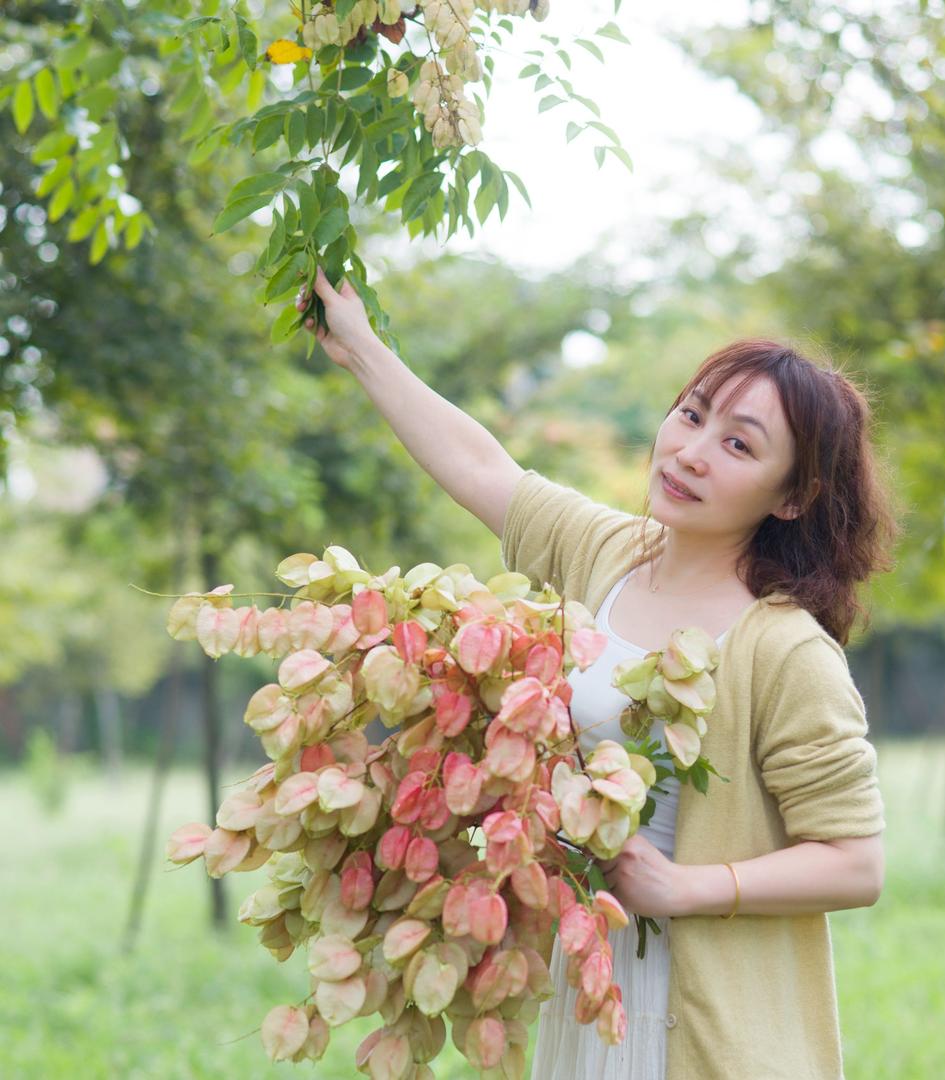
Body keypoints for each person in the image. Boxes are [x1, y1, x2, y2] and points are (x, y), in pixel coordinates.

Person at [296, 268, 898, 1079]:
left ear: (792, 498)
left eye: (737, 444)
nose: (689, 451)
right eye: (691, 415)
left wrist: (685, 887)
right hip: (588, 983)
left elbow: (855, 861)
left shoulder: (784, 650)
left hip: (706, 1021)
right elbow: (482, 466)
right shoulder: (604, 554)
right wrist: (361, 348)